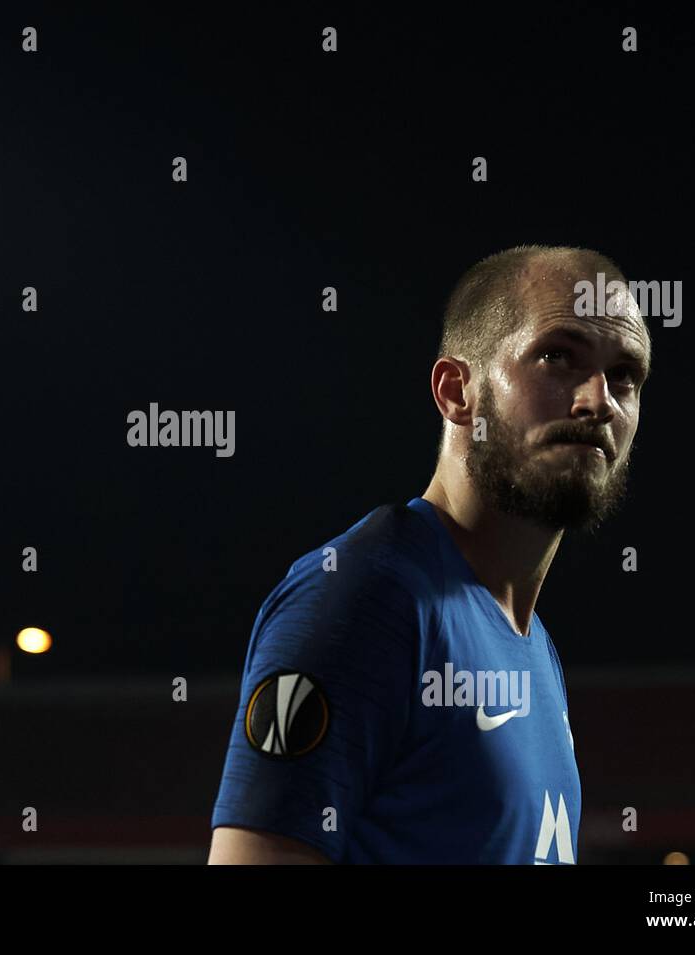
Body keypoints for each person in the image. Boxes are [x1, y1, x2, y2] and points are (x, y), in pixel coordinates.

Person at [208, 245, 652, 863]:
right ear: (456, 392)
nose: (596, 400)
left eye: (625, 375)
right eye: (558, 357)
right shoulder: (364, 595)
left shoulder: (534, 647)